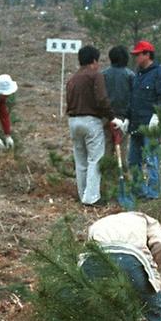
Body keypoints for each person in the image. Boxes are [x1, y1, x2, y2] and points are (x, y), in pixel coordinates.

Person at [66, 45, 123, 206]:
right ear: (94, 60)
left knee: (81, 160)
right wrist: (112, 117)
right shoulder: (95, 75)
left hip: (73, 120)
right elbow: (102, 99)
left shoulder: (72, 79)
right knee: (95, 159)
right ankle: (91, 197)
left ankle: (82, 193)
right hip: (91, 121)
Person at [127, 40, 161, 199]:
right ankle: (139, 190)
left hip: (151, 125)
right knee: (133, 160)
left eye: (138, 54)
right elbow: (132, 99)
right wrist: (127, 118)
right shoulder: (137, 75)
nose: (136, 58)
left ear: (147, 54)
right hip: (136, 124)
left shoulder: (159, 73)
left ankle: (153, 193)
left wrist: (157, 116)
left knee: (151, 160)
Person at [102, 46, 135, 164]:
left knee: (106, 146)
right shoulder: (130, 75)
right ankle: (123, 175)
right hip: (123, 117)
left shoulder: (103, 74)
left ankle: (106, 175)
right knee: (123, 148)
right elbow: (134, 97)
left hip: (106, 116)